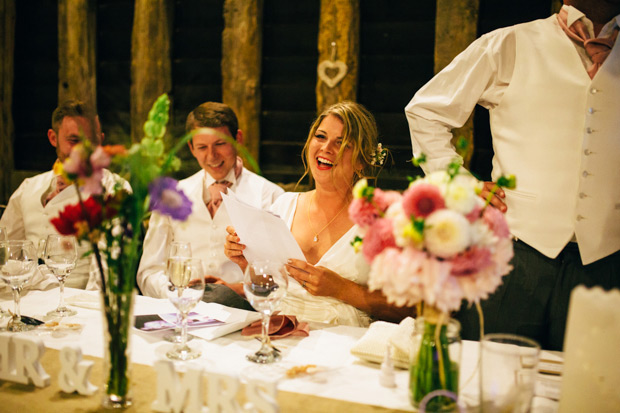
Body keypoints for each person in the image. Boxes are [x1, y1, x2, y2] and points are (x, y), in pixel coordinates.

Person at [405, 0, 620, 350]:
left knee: (592, 391)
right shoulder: (510, 44)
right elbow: (426, 111)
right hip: (517, 257)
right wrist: (462, 187)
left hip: (609, 262)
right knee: (492, 383)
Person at [225, 101, 413, 327]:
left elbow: (410, 310)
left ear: (362, 161)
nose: (326, 148)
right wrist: (246, 264)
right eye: (321, 137)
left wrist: (342, 289)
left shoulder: (382, 222)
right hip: (280, 333)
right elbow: (266, 291)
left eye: (342, 143)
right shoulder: (283, 207)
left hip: (344, 346)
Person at [137, 102, 284, 303]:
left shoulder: (271, 196)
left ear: (237, 139)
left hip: (245, 315)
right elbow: (149, 272)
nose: (211, 156)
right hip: (181, 313)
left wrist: (238, 290)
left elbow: (282, 278)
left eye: (220, 144)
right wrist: (180, 297)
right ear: (191, 148)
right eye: (202, 147)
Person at [0, 100, 120, 290]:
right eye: (73, 141)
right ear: (53, 138)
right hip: (26, 304)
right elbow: (3, 251)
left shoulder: (113, 189)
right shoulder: (28, 188)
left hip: (80, 308)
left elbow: (110, 269)